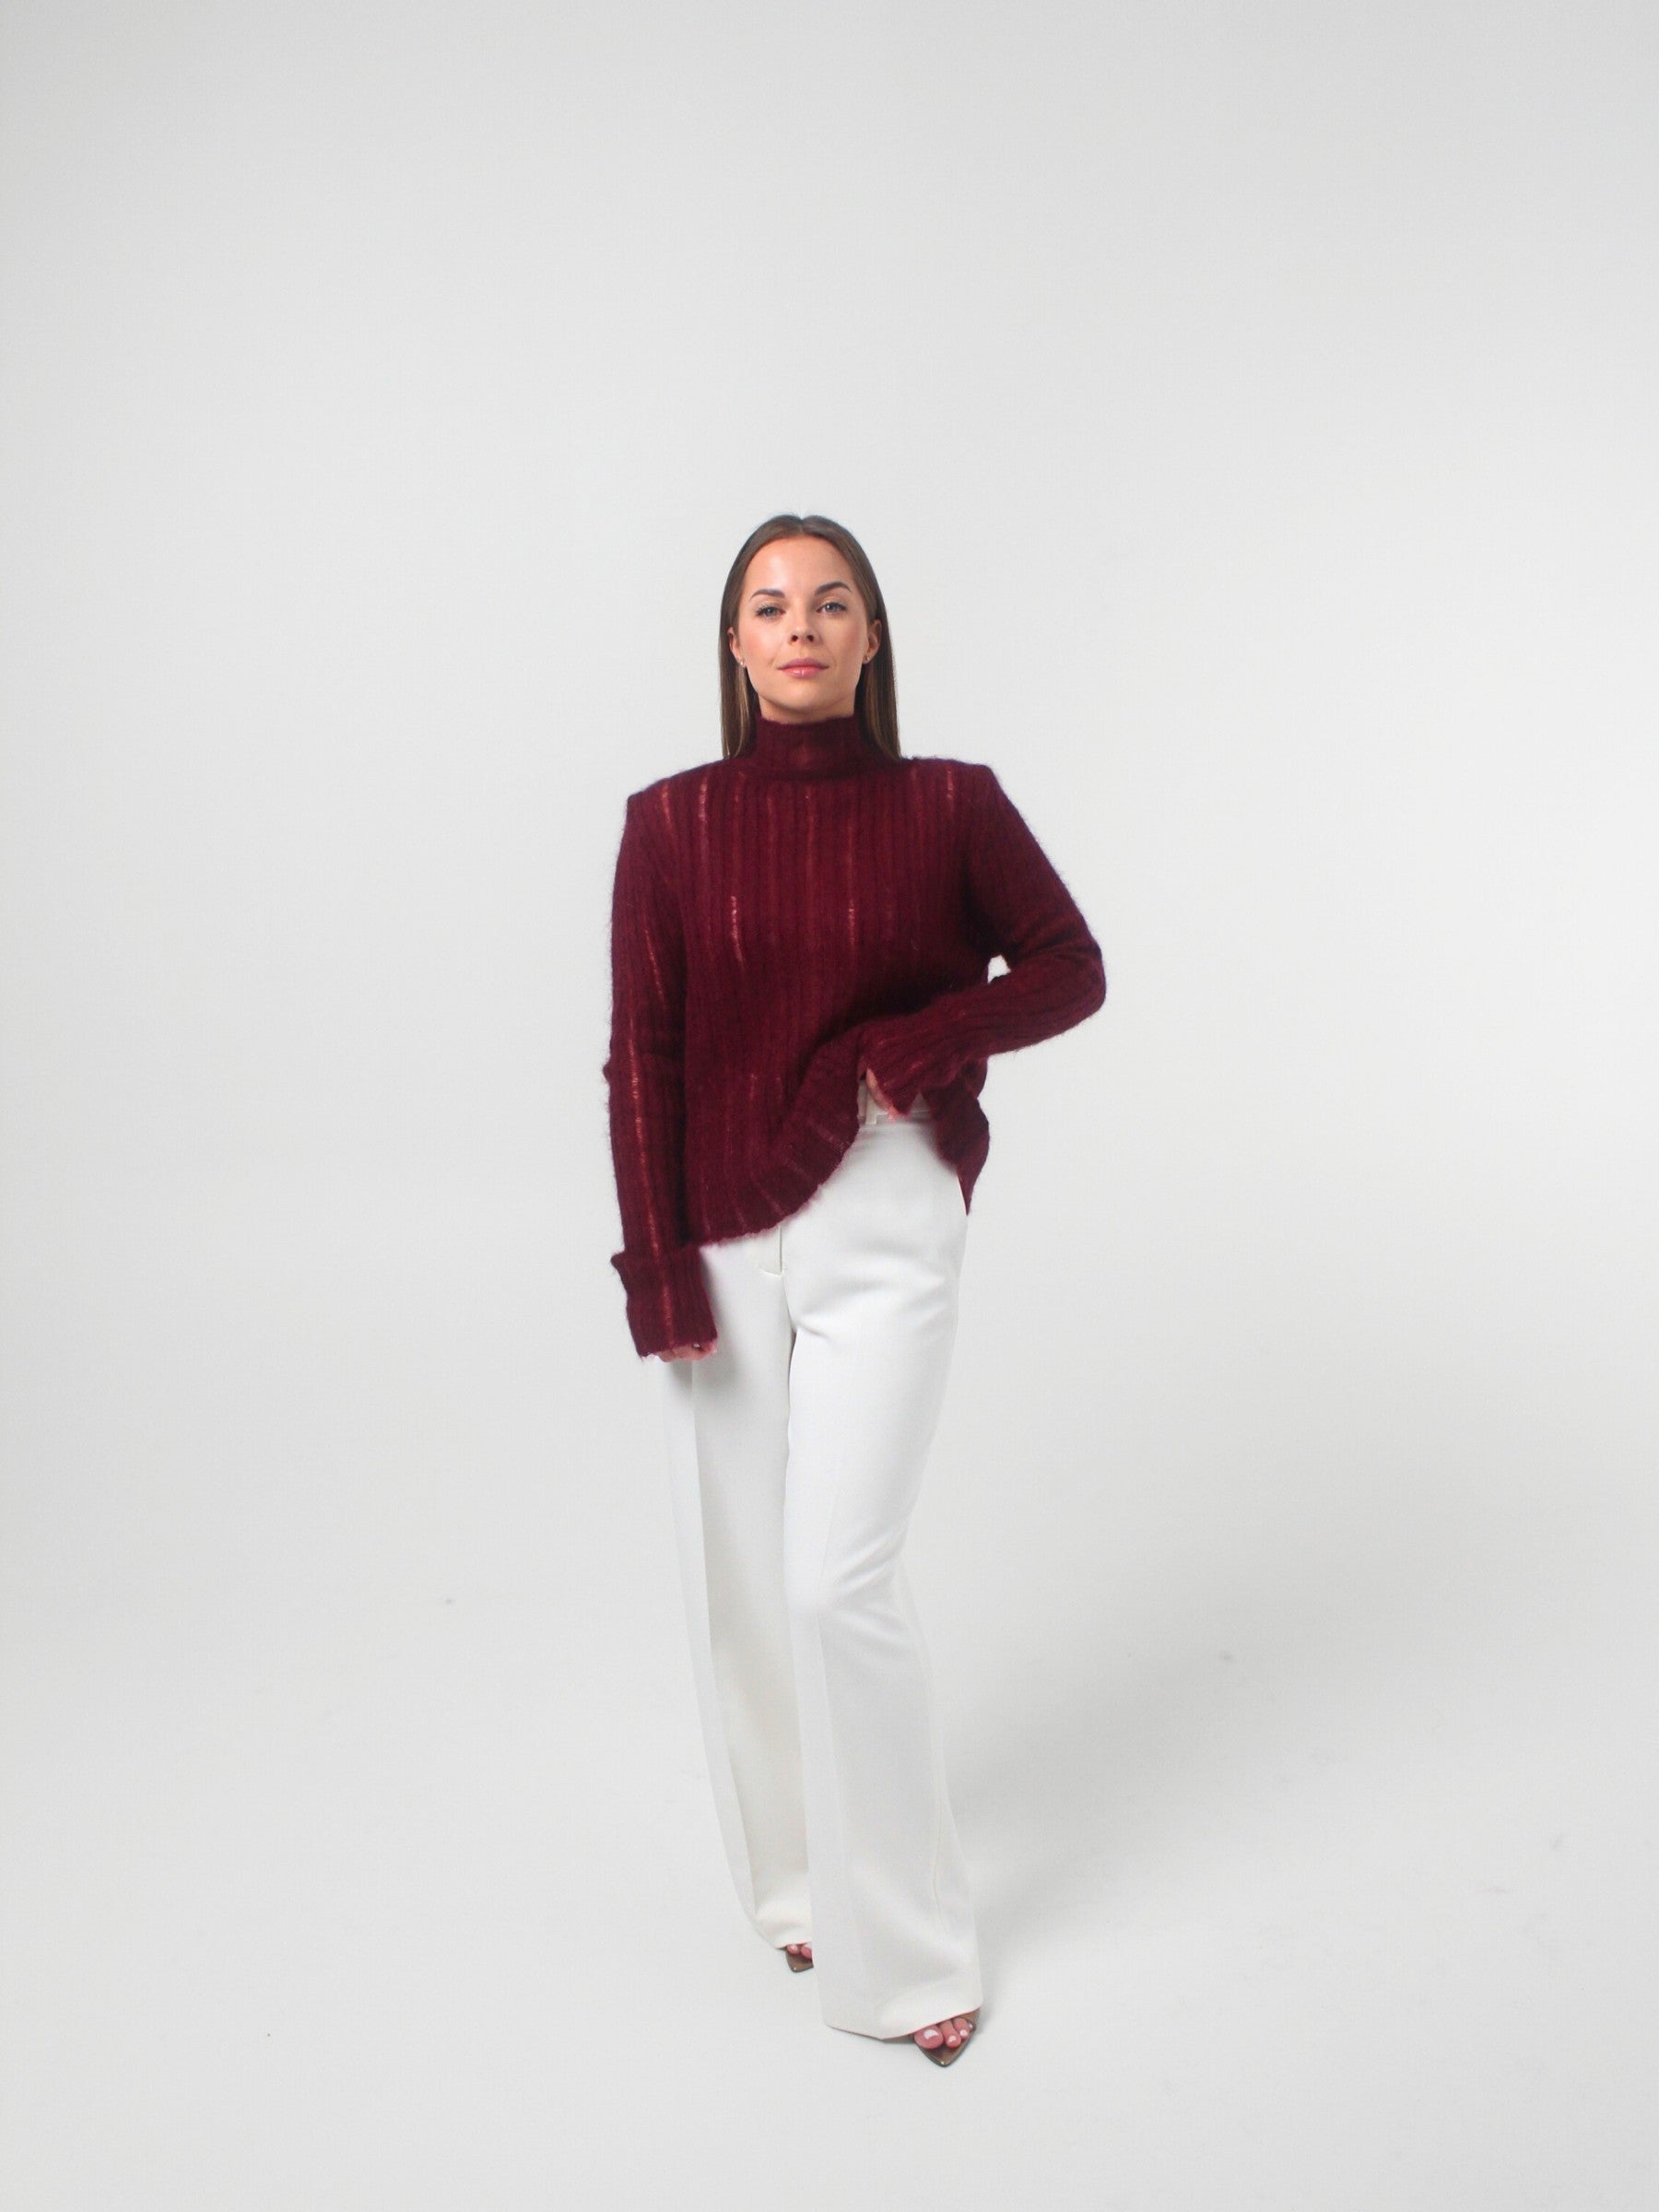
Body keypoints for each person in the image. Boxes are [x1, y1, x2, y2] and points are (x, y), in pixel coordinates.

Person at [603, 512, 1107, 2066]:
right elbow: (643, 1059)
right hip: (718, 1221)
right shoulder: (670, 825)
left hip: (887, 1209)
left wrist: (923, 1039)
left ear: (872, 636)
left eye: (832, 603)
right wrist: (657, 1266)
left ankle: (912, 1950)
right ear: (735, 645)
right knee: (741, 1583)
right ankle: (795, 1884)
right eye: (771, 608)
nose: (802, 627)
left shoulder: (952, 804)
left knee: (839, 1581)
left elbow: (1070, 965)